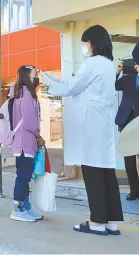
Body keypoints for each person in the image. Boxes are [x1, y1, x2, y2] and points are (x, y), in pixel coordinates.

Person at [41, 25, 123, 235]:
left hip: (91, 128)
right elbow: (77, 84)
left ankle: (96, 223)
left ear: (93, 42)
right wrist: (56, 81)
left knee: (93, 172)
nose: (84, 47)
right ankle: (112, 222)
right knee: (107, 173)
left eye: (85, 42)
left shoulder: (92, 63)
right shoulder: (109, 65)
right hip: (103, 128)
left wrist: (48, 83)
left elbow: (72, 87)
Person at [9, 65, 45, 222]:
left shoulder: (24, 94)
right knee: (23, 176)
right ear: (26, 77)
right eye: (34, 75)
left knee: (25, 176)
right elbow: (30, 121)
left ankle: (26, 207)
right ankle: (17, 209)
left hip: (25, 142)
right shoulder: (25, 95)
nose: (36, 77)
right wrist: (38, 136)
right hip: (25, 142)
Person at [115, 43, 139, 201]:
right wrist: (116, 73)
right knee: (129, 159)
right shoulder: (127, 78)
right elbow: (112, 86)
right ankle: (134, 190)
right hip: (126, 120)